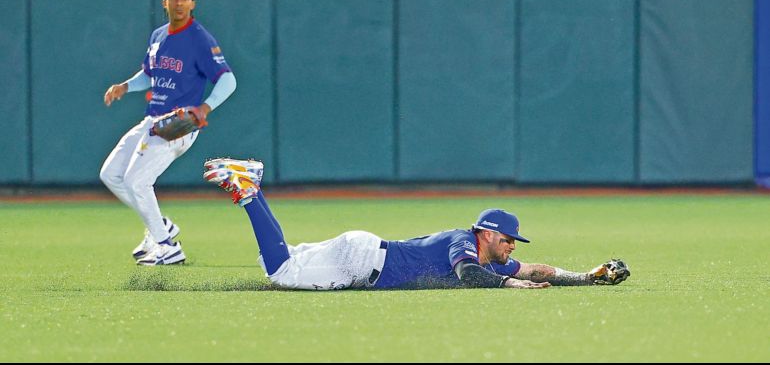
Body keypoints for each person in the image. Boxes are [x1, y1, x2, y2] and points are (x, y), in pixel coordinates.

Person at [202, 158, 630, 290]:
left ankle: (252, 181)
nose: (513, 246)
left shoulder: (488, 258)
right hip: (360, 262)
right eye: (507, 238)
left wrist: (587, 278)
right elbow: (467, 273)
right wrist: (512, 287)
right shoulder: (464, 243)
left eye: (514, 241)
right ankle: (247, 192)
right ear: (485, 232)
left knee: (284, 257)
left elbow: (537, 270)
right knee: (280, 271)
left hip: (364, 251)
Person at [100, 0, 237, 266]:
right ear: (165, 3)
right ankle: (160, 225)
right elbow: (150, 75)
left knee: (136, 181)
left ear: (192, 4)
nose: (178, 3)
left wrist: (206, 107)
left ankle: (167, 246)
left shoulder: (200, 39)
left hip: (178, 124)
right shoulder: (158, 35)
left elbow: (228, 79)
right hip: (153, 118)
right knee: (111, 175)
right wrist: (125, 86)